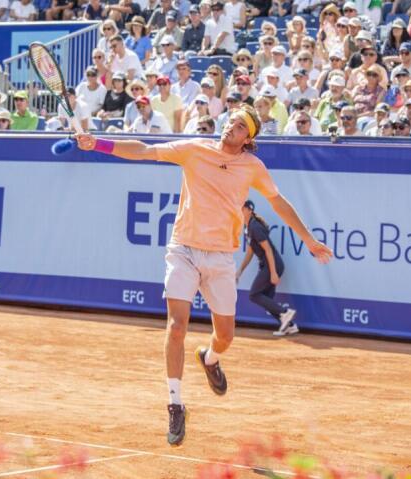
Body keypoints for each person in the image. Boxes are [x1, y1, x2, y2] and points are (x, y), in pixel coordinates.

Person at [74, 104, 333, 447]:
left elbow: (280, 203)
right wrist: (100, 145)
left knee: (225, 334)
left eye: (240, 126)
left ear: (248, 138)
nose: (231, 127)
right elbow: (145, 151)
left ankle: (210, 359)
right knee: (176, 326)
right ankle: (175, 402)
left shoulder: (252, 167)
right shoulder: (195, 149)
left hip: (222, 258)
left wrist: (309, 240)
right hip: (183, 249)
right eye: (231, 121)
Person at [236, 199, 299, 336]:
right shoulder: (248, 228)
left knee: (254, 295)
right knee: (267, 301)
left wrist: (273, 273)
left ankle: (285, 313)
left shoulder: (255, 227)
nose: (239, 210)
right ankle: (289, 325)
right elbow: (250, 252)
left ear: (249, 210)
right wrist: (240, 271)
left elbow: (268, 250)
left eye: (241, 208)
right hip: (268, 265)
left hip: (273, 265)